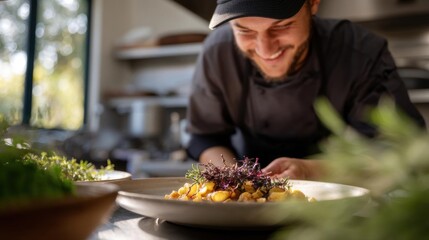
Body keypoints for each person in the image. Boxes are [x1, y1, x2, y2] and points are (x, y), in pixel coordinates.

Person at [185, 0, 426, 179]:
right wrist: (238, 182)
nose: (266, 50)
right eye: (244, 30)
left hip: (333, 192)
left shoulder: (359, 52)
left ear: (312, 4)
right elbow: (205, 136)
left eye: (281, 26)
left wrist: (310, 171)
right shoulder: (218, 53)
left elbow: (402, 147)